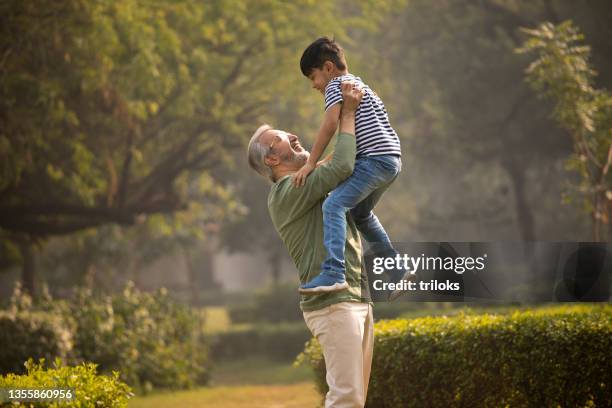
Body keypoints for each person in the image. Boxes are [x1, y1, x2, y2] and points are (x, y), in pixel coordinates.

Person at [247, 82, 373, 407]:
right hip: (332, 303)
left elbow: (346, 162)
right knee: (347, 399)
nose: (292, 135)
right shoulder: (288, 190)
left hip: (355, 295)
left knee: (354, 400)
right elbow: (343, 165)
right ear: (273, 159)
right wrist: (347, 112)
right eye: (281, 138)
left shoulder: (308, 177)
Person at [292, 37, 407, 294]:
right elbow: (354, 137)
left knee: (333, 205)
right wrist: (326, 160)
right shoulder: (361, 85)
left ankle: (334, 272)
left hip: (373, 160)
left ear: (328, 68)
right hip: (391, 159)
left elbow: (332, 124)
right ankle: (397, 269)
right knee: (360, 214)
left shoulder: (336, 86)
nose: (314, 85)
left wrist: (310, 163)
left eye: (313, 77)